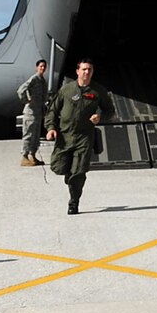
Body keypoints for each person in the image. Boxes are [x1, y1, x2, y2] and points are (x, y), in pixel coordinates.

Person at [45, 59, 114, 214]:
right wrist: (50, 128)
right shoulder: (66, 90)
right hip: (65, 136)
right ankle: (69, 178)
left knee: (79, 171)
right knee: (59, 167)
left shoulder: (98, 91)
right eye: (83, 69)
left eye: (89, 69)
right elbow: (52, 111)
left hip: (84, 137)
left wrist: (100, 118)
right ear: (77, 71)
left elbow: (110, 111)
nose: (86, 72)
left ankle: (74, 202)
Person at [16, 58, 48, 167]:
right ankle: (24, 157)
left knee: (36, 136)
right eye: (41, 66)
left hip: (38, 112)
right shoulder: (34, 79)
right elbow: (21, 90)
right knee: (28, 135)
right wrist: (27, 100)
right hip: (30, 112)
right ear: (37, 67)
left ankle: (33, 156)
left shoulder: (42, 80)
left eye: (44, 66)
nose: (43, 68)